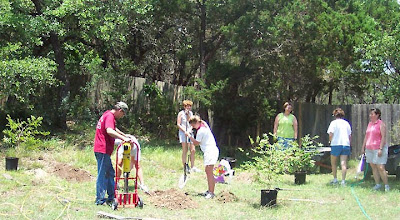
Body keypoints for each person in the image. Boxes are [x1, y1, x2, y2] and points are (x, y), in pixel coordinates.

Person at [93, 101, 132, 205]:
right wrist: (123, 138)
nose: (122, 116)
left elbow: (114, 129)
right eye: (123, 114)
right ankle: (100, 200)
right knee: (103, 175)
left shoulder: (107, 114)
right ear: (120, 110)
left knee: (110, 173)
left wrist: (124, 135)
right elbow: (110, 131)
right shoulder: (110, 116)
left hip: (103, 150)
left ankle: (111, 197)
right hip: (102, 149)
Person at [186, 115, 219, 199]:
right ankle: (210, 190)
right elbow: (203, 121)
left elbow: (196, 143)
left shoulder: (201, 131)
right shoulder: (204, 125)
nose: (193, 127)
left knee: (209, 171)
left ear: (197, 123)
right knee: (208, 171)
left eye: (193, 125)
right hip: (210, 151)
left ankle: (211, 192)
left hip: (210, 151)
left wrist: (189, 136)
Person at [361, 108, 389, 192]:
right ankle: (377, 184)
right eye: (370, 114)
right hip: (369, 148)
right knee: (373, 167)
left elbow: (383, 137)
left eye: (372, 114)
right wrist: (363, 147)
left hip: (378, 148)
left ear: (377, 115)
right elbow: (366, 136)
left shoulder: (381, 124)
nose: (370, 116)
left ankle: (386, 185)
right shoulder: (370, 124)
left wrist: (380, 148)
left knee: (380, 167)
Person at [327, 108, 352, 186]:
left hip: (336, 144)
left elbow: (331, 134)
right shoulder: (346, 123)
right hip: (345, 144)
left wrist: (330, 141)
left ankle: (335, 179)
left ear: (335, 115)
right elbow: (349, 136)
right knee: (343, 163)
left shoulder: (333, 123)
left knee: (334, 163)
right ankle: (343, 181)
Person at [177, 100, 200, 173]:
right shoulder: (181, 113)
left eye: (190, 106)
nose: (189, 107)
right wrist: (185, 131)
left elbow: (191, 123)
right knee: (185, 150)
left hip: (189, 132)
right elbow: (178, 124)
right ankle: (185, 166)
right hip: (183, 133)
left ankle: (193, 166)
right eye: (187, 106)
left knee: (193, 150)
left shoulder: (191, 114)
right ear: (184, 107)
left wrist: (189, 130)